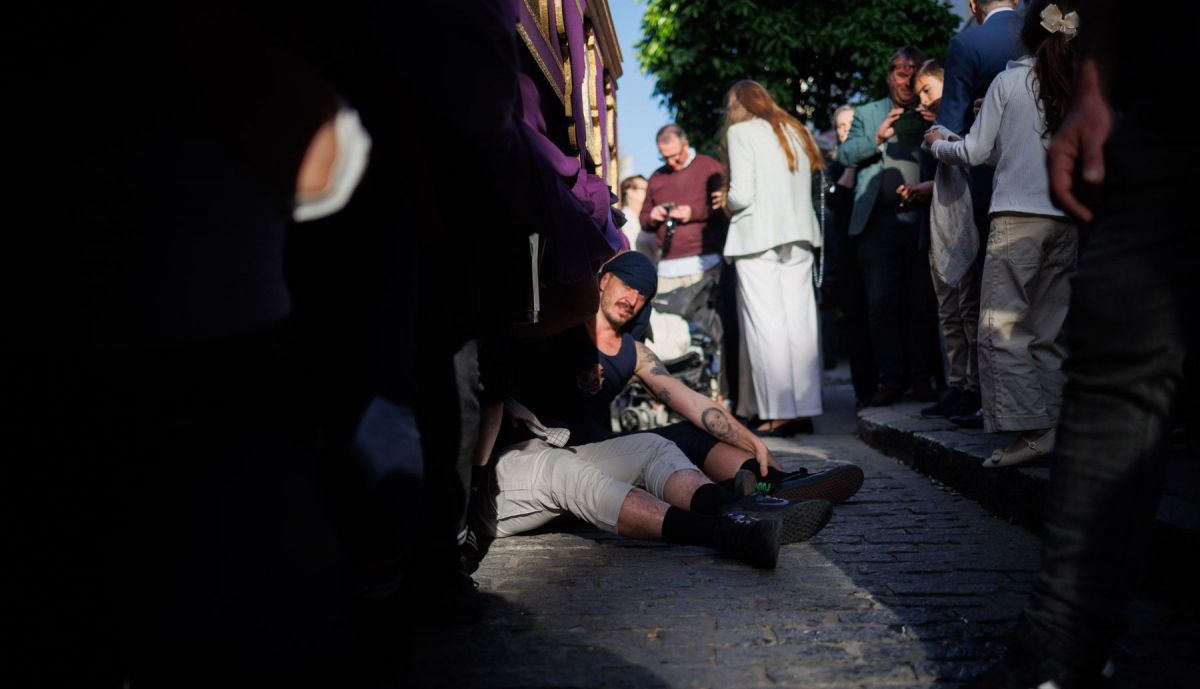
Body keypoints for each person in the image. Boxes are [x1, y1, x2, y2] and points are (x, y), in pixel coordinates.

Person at [966, 0, 1198, 686]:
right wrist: (1094, 88)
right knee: (1107, 349)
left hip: (1033, 202)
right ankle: (1060, 644)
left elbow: (977, 149)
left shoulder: (1010, 81)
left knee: (1018, 332)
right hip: (1165, 106)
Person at [497, 251, 864, 501]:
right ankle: (739, 496)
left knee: (693, 432)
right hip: (548, 450)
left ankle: (772, 486)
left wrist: (753, 441)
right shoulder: (563, 323)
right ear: (604, 281)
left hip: (601, 450)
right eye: (627, 285)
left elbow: (691, 401)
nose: (633, 299)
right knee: (665, 448)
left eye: (643, 295)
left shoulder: (635, 353)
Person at [926, 0, 1079, 467]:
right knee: (1048, 332)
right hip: (1064, 221)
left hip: (1016, 220)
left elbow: (972, 152)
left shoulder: (1008, 81)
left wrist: (939, 143)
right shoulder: (1071, 84)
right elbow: (1008, 153)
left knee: (1002, 328)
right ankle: (1053, 426)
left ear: (1024, 36)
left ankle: (1030, 432)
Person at [935, 0, 1026, 427]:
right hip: (1059, 185)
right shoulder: (1047, 35)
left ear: (973, 4)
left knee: (995, 307)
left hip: (997, 188)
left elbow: (962, 137)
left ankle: (996, 406)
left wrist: (937, 140)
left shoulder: (970, 43)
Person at [718, 80, 824, 436]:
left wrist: (725, 202)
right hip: (799, 234)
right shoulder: (795, 129)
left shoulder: (741, 132)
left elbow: (743, 195)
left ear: (737, 103)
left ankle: (777, 412)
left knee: (767, 326)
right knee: (801, 324)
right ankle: (804, 409)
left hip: (756, 236)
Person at [838, 47, 941, 407]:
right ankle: (891, 380)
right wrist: (877, 137)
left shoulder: (933, 107)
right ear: (889, 75)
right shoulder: (868, 113)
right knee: (881, 305)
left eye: (914, 74)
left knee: (922, 302)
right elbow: (845, 155)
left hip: (925, 218)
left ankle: (922, 380)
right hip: (878, 222)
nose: (908, 80)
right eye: (901, 73)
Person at [904, 60, 985, 422]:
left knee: (968, 310)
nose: (920, 100)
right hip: (940, 226)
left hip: (963, 223)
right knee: (949, 313)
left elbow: (975, 163)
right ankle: (958, 384)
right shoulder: (933, 130)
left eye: (926, 89)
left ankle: (975, 386)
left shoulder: (966, 119)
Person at [639, 124, 728, 295]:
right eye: (664, 158)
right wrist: (652, 216)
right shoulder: (657, 178)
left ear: (685, 144)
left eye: (676, 156)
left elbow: (724, 206)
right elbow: (643, 219)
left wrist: (693, 212)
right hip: (667, 267)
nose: (671, 162)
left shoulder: (708, 166)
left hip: (705, 261)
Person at [619, 175, 658, 260]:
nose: (649, 194)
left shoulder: (646, 219)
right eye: (645, 190)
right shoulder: (623, 220)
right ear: (630, 192)